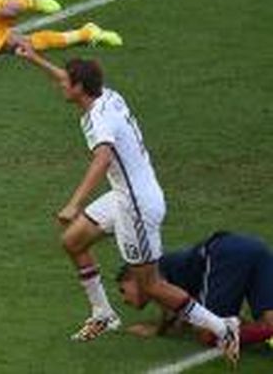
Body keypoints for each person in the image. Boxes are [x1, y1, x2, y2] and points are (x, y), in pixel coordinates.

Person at [16, 41, 240, 365]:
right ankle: (103, 313)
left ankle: (223, 327)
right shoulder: (107, 95)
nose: (61, 86)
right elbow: (68, 78)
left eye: (67, 82)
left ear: (79, 88)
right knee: (73, 241)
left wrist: (74, 204)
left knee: (151, 286)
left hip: (137, 205)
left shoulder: (99, 120)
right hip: (127, 195)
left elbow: (103, 158)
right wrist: (36, 59)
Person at [118, 231, 273, 346]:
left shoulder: (151, 271)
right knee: (268, 318)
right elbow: (185, 310)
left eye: (123, 290)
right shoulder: (171, 267)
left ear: (134, 277)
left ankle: (264, 331)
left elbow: (170, 309)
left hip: (223, 252)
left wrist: (156, 330)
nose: (125, 300)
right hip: (255, 247)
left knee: (210, 334)